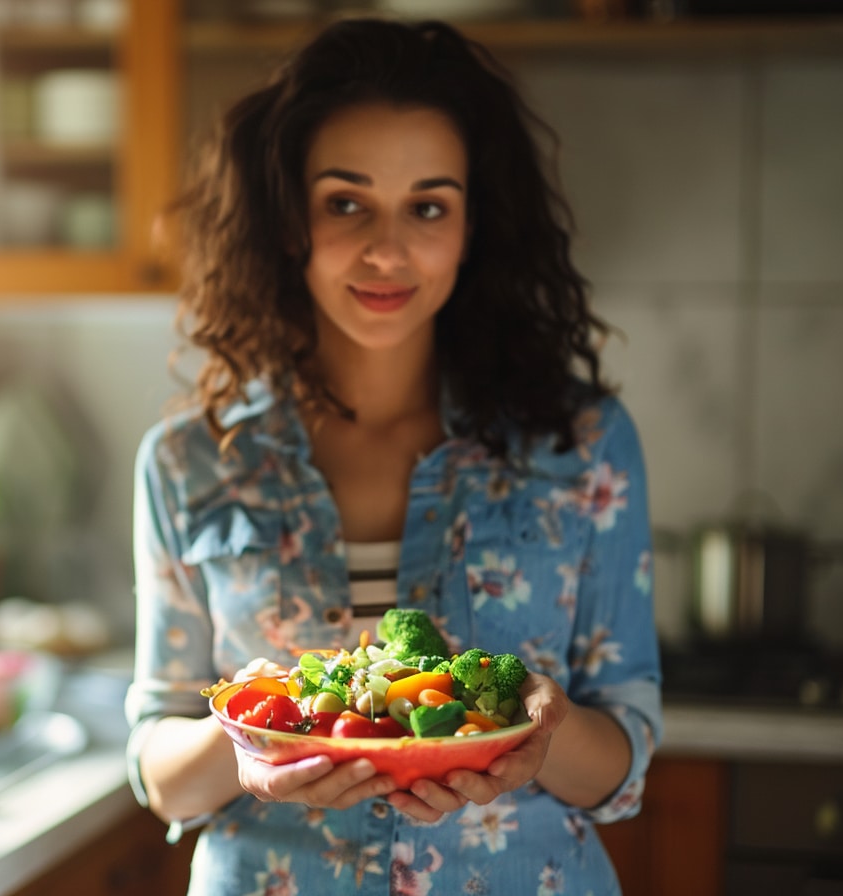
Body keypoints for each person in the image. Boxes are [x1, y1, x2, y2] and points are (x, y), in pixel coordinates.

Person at [125, 16, 662, 895]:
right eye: (346, 202)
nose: (386, 248)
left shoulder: (586, 446)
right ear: (288, 219)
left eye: (428, 206)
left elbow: (625, 755)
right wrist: (251, 744)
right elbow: (156, 763)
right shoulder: (191, 462)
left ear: (472, 225)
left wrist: (540, 734)